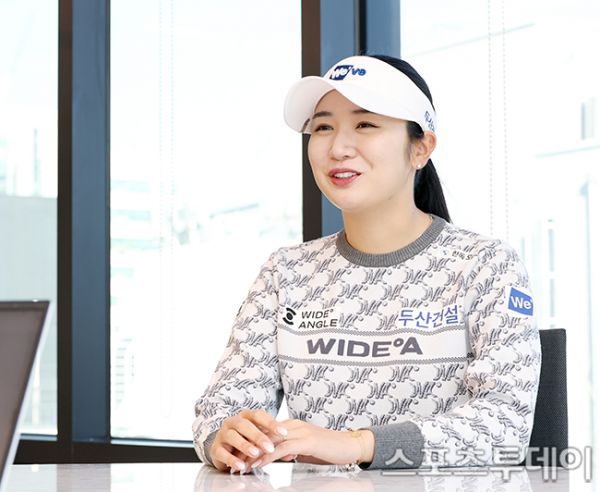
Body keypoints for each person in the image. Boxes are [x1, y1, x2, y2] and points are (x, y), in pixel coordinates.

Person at [192, 54, 541, 473]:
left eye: (365, 125)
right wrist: (226, 436)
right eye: (323, 127)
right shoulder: (285, 273)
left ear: (421, 148)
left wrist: (357, 444)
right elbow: (221, 407)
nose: (338, 148)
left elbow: (505, 427)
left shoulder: (485, 265)